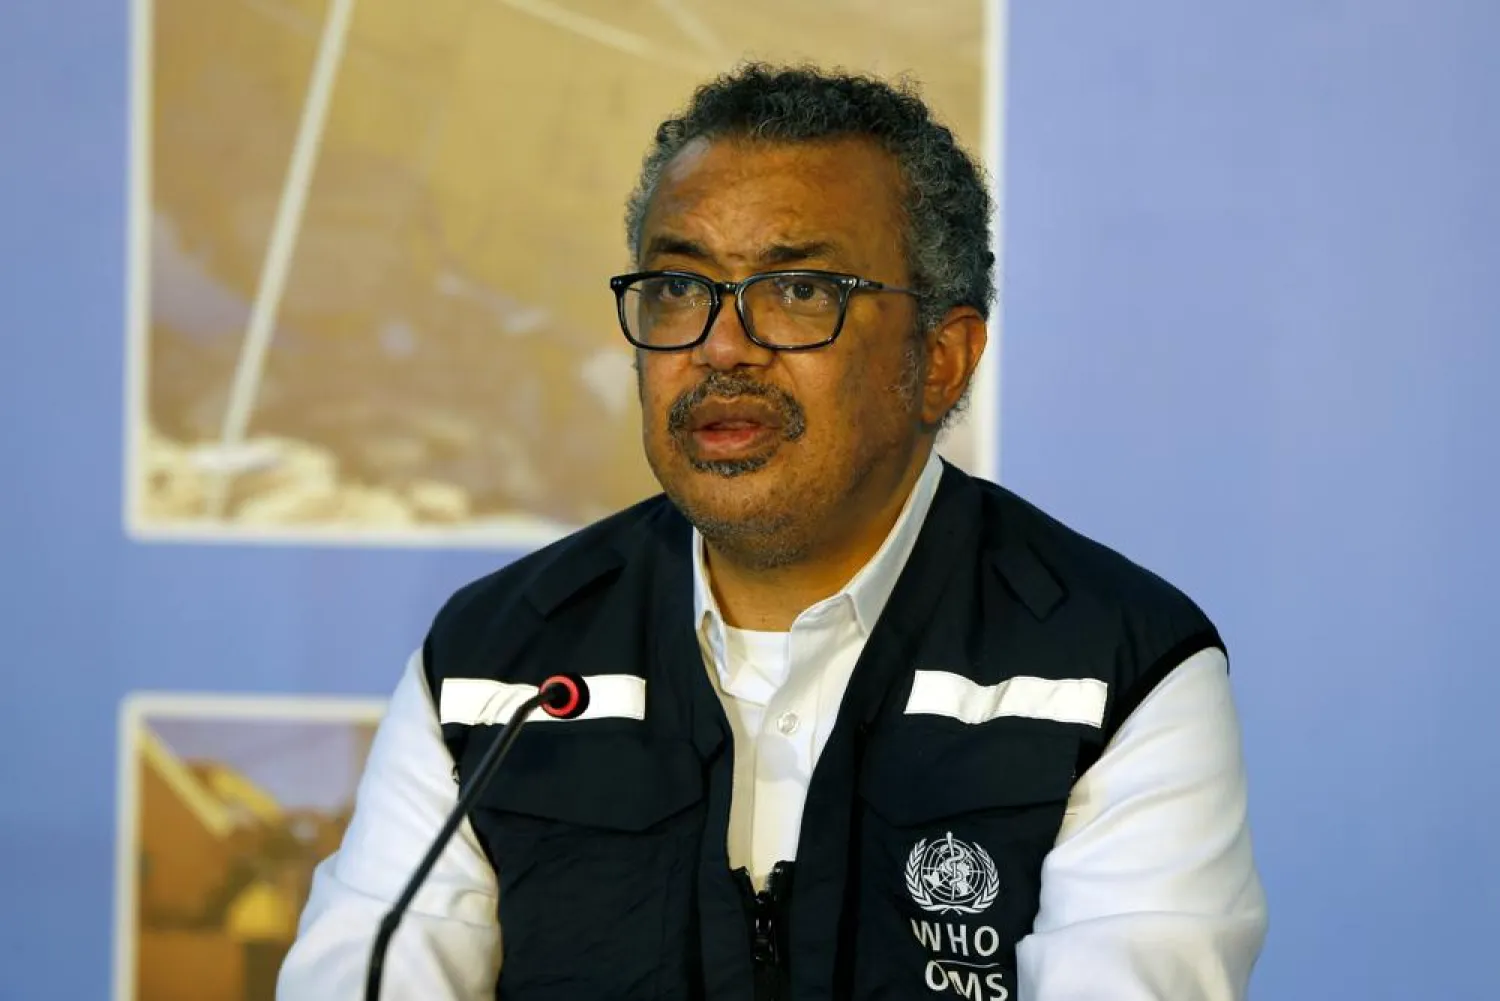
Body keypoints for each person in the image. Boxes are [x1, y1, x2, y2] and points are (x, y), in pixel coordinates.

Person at [277, 64, 1267, 1000]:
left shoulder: (1115, 664)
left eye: (798, 291)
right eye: (678, 286)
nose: (719, 344)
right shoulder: (499, 661)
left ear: (942, 358)